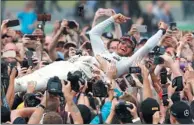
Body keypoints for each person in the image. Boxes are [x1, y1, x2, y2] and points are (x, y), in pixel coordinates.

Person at [14, 13, 167, 93]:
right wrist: (112, 19)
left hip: (77, 73)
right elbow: (94, 33)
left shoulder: (125, 63)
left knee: (34, 84)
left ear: (131, 52)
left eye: (129, 46)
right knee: (26, 79)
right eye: (123, 42)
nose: (124, 46)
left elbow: (146, 47)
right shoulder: (104, 52)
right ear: (118, 43)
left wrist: (161, 30)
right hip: (68, 64)